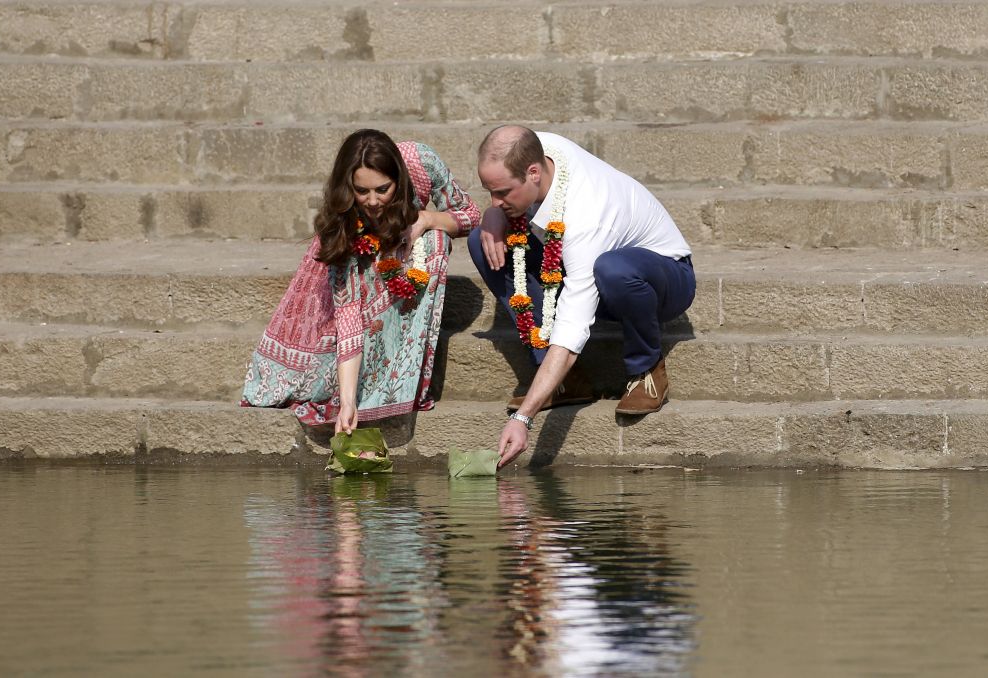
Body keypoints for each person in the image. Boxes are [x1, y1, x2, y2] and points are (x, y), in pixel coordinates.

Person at [468, 125, 695, 468]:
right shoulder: (537, 147)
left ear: (533, 173)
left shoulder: (587, 215)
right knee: (481, 241)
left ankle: (646, 369)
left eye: (502, 193)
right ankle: (565, 382)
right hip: (583, 266)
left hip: (664, 277)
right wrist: (494, 214)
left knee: (613, 269)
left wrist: (523, 419)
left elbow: (572, 330)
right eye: (489, 191)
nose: (496, 201)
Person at [242, 129, 481, 434]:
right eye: (361, 191)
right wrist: (348, 401)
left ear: (400, 178)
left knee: (435, 242)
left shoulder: (422, 161)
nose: (372, 202)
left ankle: (401, 379)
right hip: (358, 262)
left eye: (383, 189)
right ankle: (368, 389)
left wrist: (428, 220)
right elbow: (348, 315)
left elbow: (471, 215)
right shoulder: (345, 224)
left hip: (407, 250)